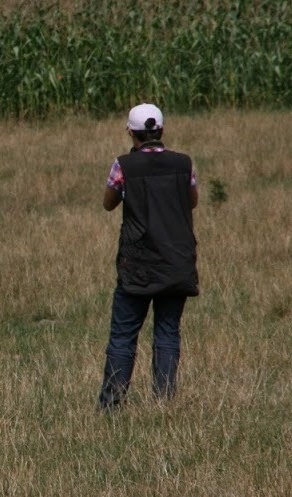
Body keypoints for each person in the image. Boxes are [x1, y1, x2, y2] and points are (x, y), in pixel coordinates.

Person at [98, 103, 199, 408]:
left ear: (132, 132)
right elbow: (191, 201)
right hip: (177, 262)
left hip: (138, 264)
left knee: (123, 336)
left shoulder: (123, 166)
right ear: (162, 131)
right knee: (167, 332)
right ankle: (164, 403)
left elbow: (108, 203)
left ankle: (112, 405)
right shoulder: (184, 164)